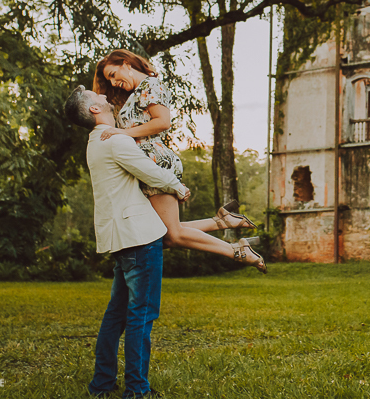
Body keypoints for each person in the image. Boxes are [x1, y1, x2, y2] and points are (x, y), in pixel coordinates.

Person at [92, 49, 265, 273]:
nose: (114, 83)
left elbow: (163, 122)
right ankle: (223, 223)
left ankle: (237, 250)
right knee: (161, 233)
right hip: (144, 164)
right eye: (110, 80)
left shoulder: (151, 85)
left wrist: (124, 134)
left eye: (114, 74)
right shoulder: (136, 93)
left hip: (155, 162)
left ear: (126, 64)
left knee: (170, 235)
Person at [65, 85, 185, 398]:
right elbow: (149, 172)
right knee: (141, 317)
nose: (103, 96)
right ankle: (137, 391)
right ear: (94, 110)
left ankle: (101, 385)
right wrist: (179, 188)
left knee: (116, 315)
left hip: (121, 238)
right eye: (97, 98)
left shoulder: (98, 142)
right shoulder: (114, 139)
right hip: (139, 238)